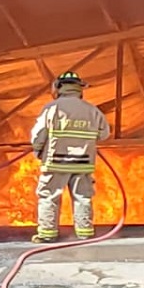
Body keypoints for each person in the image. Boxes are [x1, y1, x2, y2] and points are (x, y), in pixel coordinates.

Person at [29, 71, 111, 244]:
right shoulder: (91, 110)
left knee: (49, 196)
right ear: (79, 89)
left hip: (55, 162)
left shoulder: (52, 108)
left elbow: (39, 134)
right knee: (83, 197)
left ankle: (47, 234)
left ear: (59, 88)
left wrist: (37, 150)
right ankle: (84, 234)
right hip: (83, 163)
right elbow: (104, 134)